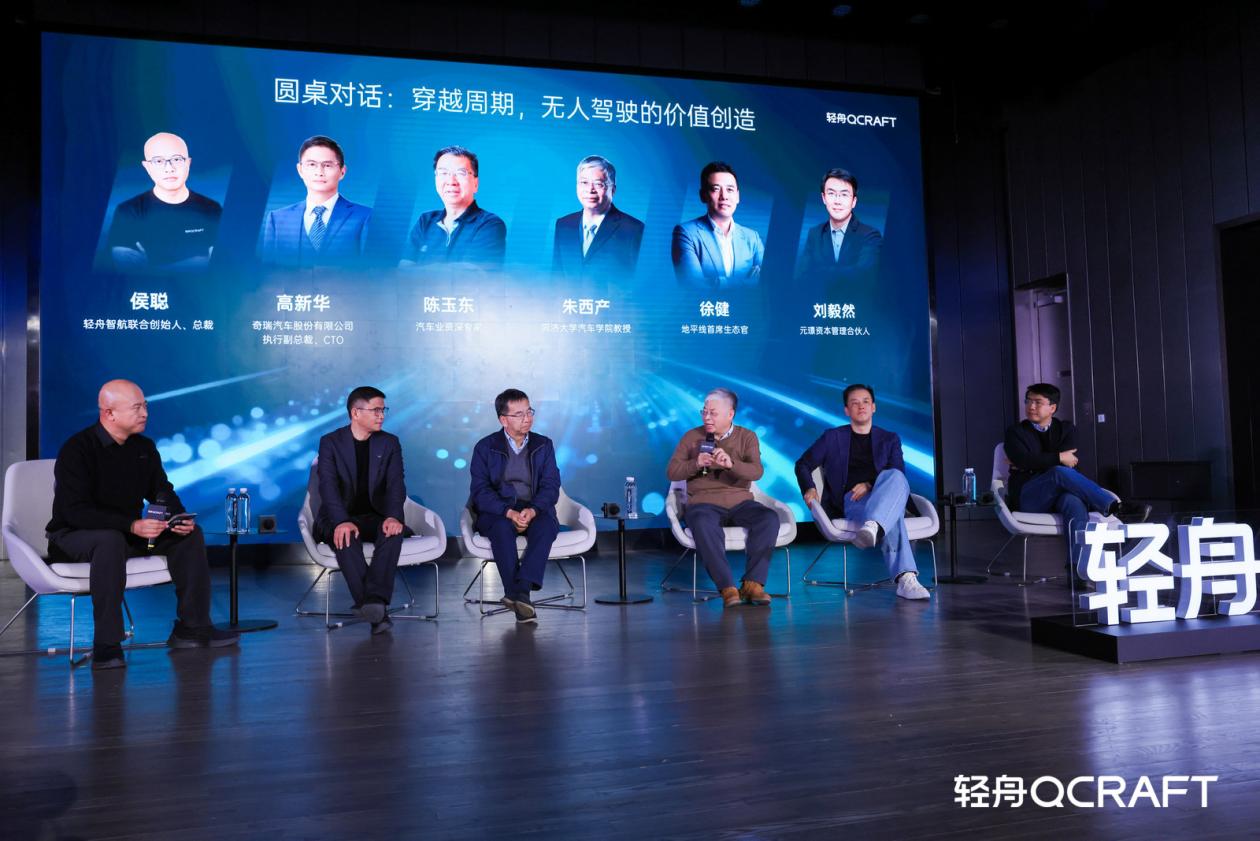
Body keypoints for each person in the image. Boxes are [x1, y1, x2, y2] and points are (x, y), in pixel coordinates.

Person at [45, 380, 239, 669]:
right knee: (109, 540)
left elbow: (161, 492)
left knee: (189, 536)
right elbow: (75, 512)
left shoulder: (143, 447)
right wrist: (131, 525)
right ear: (109, 413)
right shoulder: (77, 449)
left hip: (127, 535)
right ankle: (107, 645)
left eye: (145, 406)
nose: (145, 413)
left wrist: (177, 518)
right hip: (73, 538)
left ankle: (193, 627)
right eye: (136, 407)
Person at [793, 384, 930, 600]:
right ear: (847, 410)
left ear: (874, 407)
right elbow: (802, 464)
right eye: (854, 403)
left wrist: (870, 484)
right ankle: (906, 578)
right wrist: (809, 487)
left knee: (895, 475)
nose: (861, 406)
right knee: (893, 516)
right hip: (853, 501)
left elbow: (898, 474)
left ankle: (873, 525)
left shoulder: (890, 439)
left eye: (866, 401)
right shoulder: (832, 437)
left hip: (886, 495)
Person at [666, 388, 779, 608]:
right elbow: (672, 473)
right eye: (704, 412)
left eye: (713, 413)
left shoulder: (747, 436)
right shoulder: (691, 437)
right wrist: (696, 463)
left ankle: (753, 584)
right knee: (702, 521)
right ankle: (727, 587)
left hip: (741, 502)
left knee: (769, 518)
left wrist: (731, 464)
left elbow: (756, 471)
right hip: (704, 503)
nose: (707, 417)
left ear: (730, 414)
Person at [313, 386, 411, 634]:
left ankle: (372, 602)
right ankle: (377, 612)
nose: (381, 415)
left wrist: (393, 516)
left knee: (393, 531)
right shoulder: (330, 442)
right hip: (338, 516)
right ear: (355, 413)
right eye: (376, 410)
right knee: (346, 535)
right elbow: (328, 487)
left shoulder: (389, 443)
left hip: (375, 515)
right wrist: (341, 521)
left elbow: (396, 485)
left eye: (383, 410)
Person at [1004, 383, 1149, 535]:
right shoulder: (1015, 432)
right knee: (1058, 472)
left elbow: (1067, 464)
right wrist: (1058, 457)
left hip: (1060, 494)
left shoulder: (1066, 429)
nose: (1031, 406)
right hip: (1030, 497)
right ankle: (1115, 508)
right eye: (1028, 401)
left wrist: (1034, 460)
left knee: (1073, 502)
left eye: (1037, 402)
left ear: (1052, 408)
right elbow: (1023, 460)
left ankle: (1078, 551)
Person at [468, 389, 561, 623]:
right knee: (501, 528)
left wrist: (533, 510)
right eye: (519, 414)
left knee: (546, 527)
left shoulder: (543, 445)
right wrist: (508, 512)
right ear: (503, 419)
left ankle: (519, 593)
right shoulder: (485, 447)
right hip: (498, 510)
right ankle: (520, 597)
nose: (527, 418)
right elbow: (480, 491)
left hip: (534, 508)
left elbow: (551, 486)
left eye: (529, 412)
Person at [106, 132, 222, 272]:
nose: (169, 168)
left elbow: (223, 264)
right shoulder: (128, 211)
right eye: (159, 161)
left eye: (177, 159)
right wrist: (200, 261)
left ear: (188, 163)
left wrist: (151, 268)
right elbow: (126, 268)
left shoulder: (212, 209)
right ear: (147, 167)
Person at [261, 135, 372, 268]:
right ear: (300, 170)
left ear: (342, 172)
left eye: (327, 165)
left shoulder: (366, 217)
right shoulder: (277, 220)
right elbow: (268, 272)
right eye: (312, 164)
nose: (319, 172)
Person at [399, 146, 506, 268]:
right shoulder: (425, 221)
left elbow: (469, 275)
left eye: (460, 173)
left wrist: (417, 272)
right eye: (443, 173)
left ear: (476, 184)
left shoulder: (489, 225)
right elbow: (403, 271)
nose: (451, 181)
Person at [672, 162, 764, 288]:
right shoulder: (686, 233)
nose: (724, 196)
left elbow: (767, 282)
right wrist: (748, 282)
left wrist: (717, 283)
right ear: (703, 195)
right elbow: (693, 285)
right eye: (716, 189)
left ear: (737, 196)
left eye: (730, 189)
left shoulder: (753, 237)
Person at [552, 155, 644, 280]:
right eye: (584, 182)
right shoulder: (563, 225)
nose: (590, 190)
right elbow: (556, 278)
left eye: (598, 184)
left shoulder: (634, 230)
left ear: (613, 190)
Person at [796, 168, 882, 284]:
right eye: (831, 193)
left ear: (854, 201)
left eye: (844, 195)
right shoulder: (815, 233)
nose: (837, 201)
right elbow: (802, 275)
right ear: (824, 198)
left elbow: (863, 274)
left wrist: (819, 273)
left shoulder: (870, 235)